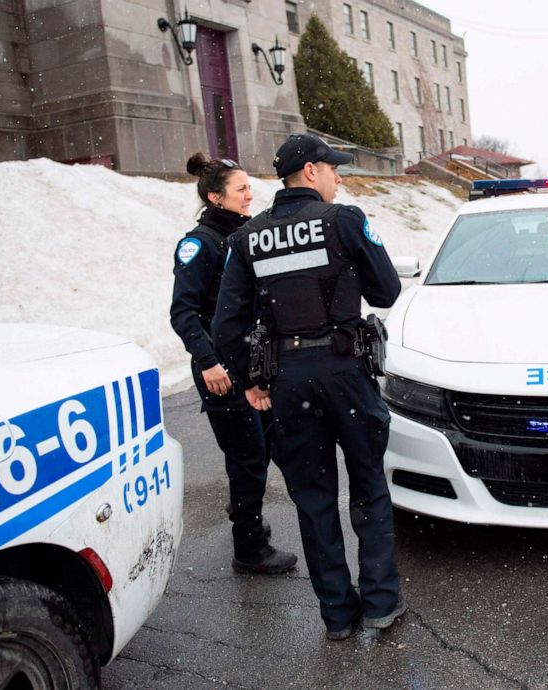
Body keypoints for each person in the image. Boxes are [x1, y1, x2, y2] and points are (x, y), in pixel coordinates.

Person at [211, 134, 405, 641]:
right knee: (368, 488)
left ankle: (338, 615)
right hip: (345, 374)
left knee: (314, 498)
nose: (339, 177)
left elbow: (227, 325)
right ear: (312, 172)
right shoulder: (344, 220)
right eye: (333, 168)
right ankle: (382, 603)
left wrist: (252, 381)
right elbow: (386, 290)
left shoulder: (248, 236)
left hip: (288, 381)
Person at [170, 152, 297, 575]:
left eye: (249, 187)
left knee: (258, 449)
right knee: (247, 455)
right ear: (215, 196)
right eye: (241, 189)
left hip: (249, 364)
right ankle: (249, 548)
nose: (250, 194)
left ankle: (246, 513)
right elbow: (183, 312)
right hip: (219, 371)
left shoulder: (244, 234)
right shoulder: (198, 244)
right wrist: (208, 361)